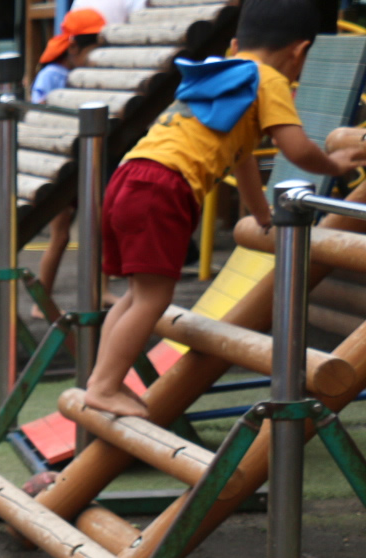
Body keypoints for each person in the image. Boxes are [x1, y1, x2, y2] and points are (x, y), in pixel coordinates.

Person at [85, 0, 366, 418]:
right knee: (153, 299)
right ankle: (105, 385)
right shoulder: (269, 81)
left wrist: (261, 212)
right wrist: (333, 164)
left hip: (129, 176)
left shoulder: (223, 73)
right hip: (165, 186)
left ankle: (98, 380)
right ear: (300, 52)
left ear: (235, 43)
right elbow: (296, 148)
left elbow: (243, 158)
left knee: (136, 296)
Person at [30, 10, 106, 314]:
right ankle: (40, 302)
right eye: (92, 53)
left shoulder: (74, 71)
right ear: (73, 48)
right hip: (56, 165)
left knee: (95, 229)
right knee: (59, 235)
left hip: (77, 163)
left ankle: (97, 294)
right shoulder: (52, 75)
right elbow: (41, 116)